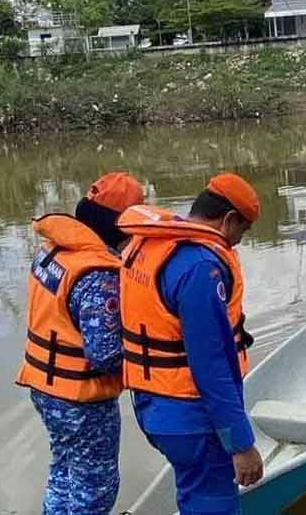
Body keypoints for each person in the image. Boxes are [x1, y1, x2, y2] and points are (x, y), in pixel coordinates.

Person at [117, 173, 263, 515]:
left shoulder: (147, 245)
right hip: (192, 419)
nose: (238, 242)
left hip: (152, 408)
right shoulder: (200, 267)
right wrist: (241, 443)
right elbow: (210, 365)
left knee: (193, 495)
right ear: (228, 220)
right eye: (242, 231)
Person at [15, 172, 145, 515]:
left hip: (44, 388)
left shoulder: (52, 253)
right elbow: (104, 354)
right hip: (81, 401)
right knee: (96, 486)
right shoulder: (98, 274)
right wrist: (152, 368)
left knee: (64, 471)